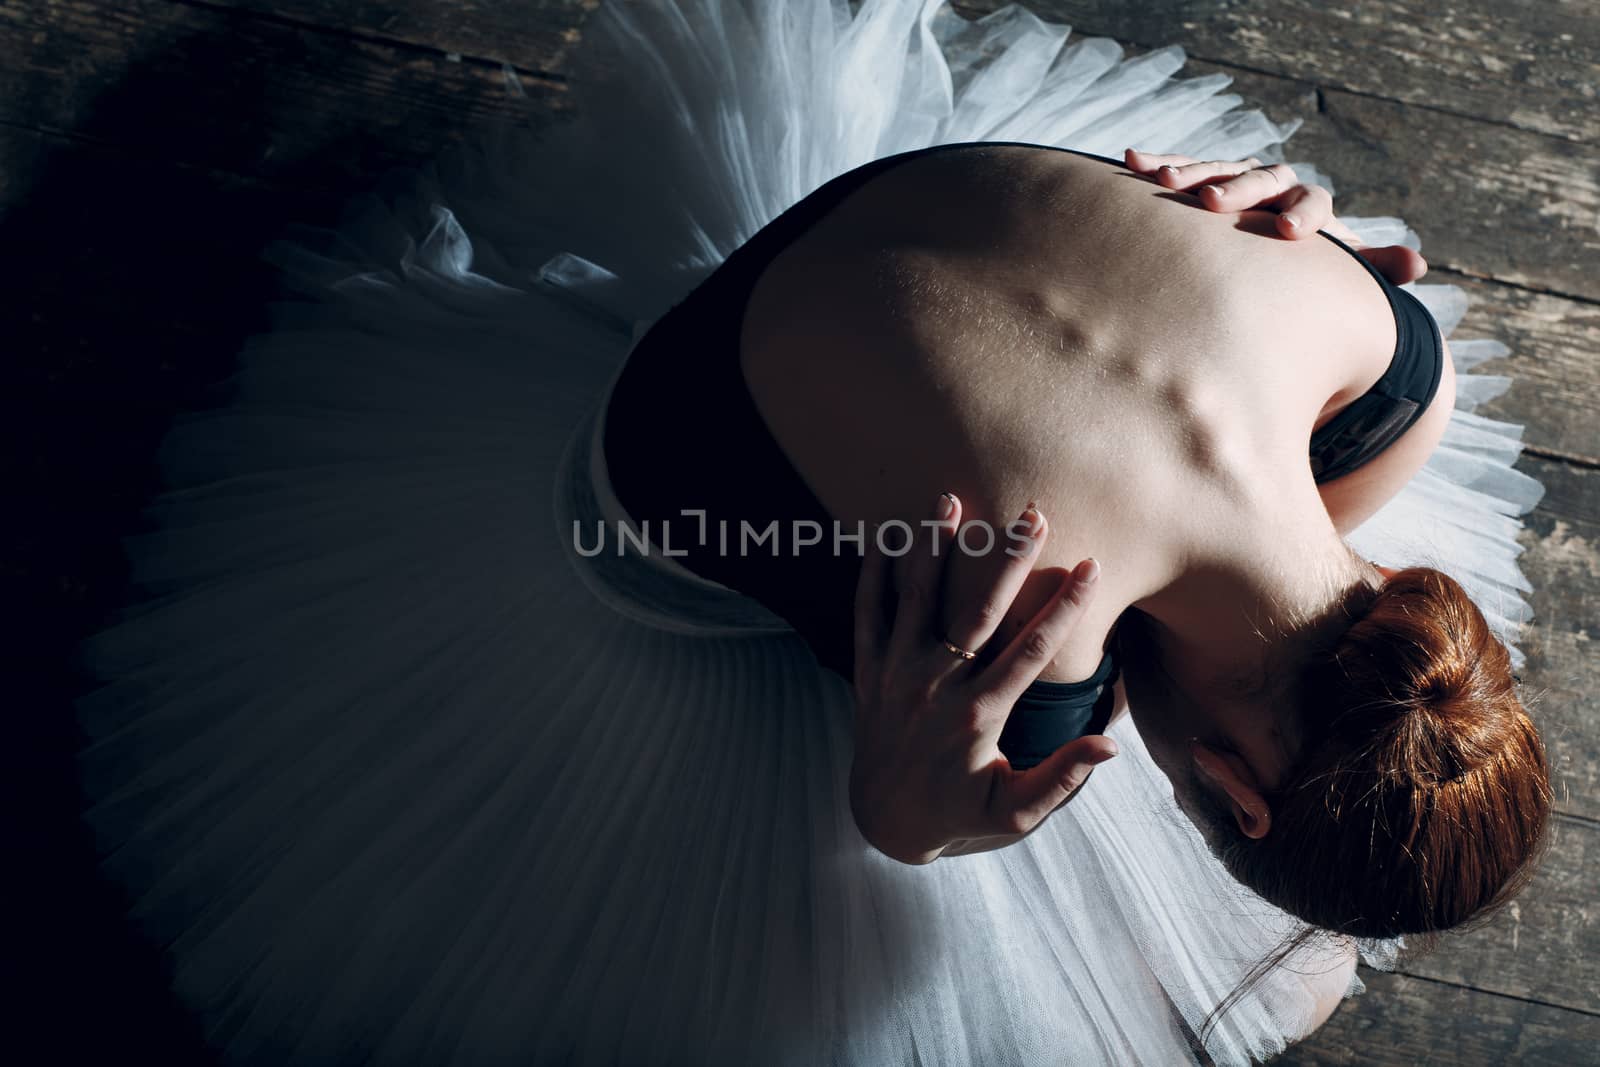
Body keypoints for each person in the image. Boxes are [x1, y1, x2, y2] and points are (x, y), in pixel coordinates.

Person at [69, 1, 1551, 1063]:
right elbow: (937, 803)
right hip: (655, 524)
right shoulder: (1036, 662)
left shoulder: (1389, 353)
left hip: (910, 251)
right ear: (1228, 787)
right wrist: (905, 818)